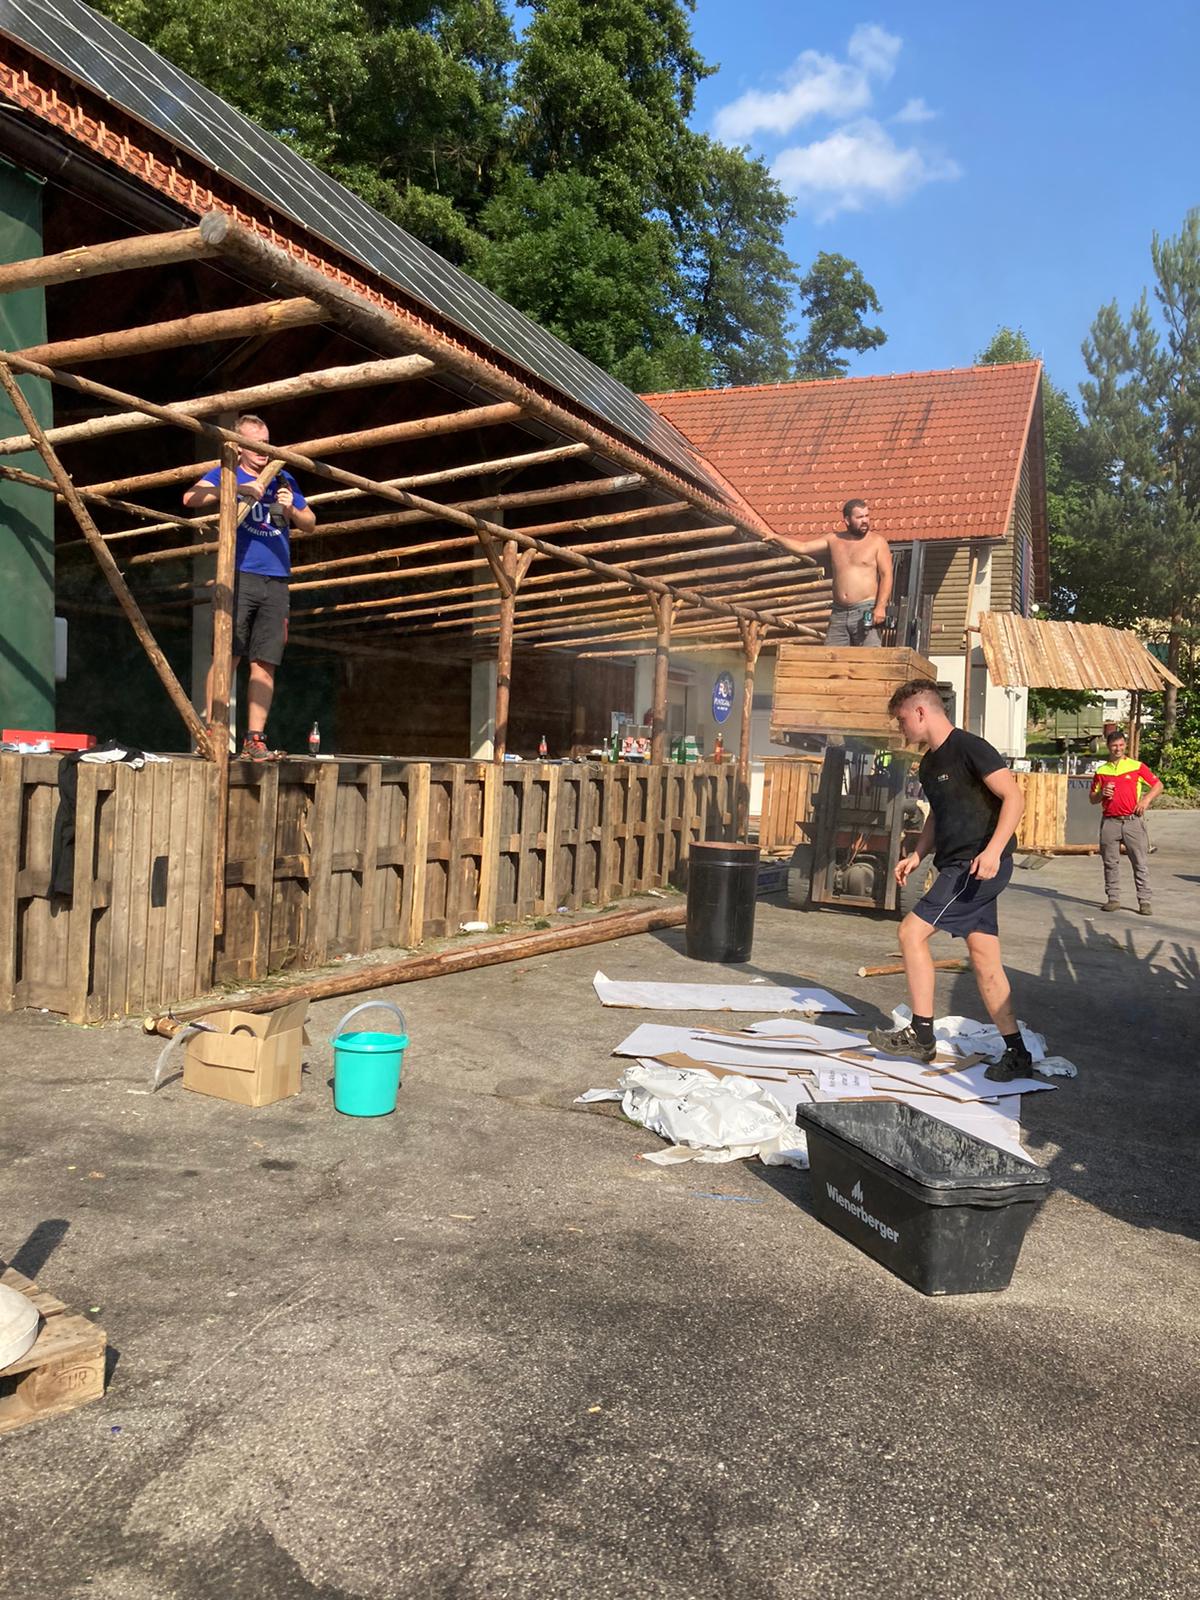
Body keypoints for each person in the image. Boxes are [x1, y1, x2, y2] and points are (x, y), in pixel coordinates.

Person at [866, 679, 1036, 1084]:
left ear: (921, 712)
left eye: (902, 720)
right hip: (958, 865)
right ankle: (1017, 1053)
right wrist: (917, 854)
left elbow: (1014, 798)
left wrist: (993, 851)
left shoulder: (971, 748)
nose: (901, 728)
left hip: (975, 866)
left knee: (910, 933)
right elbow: (938, 816)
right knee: (985, 961)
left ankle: (921, 1035)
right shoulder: (929, 764)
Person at [183, 414, 316, 760]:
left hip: (277, 579)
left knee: (265, 661)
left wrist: (291, 509)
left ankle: (254, 739)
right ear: (239, 447)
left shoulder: (284, 477)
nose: (263, 450)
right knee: (227, 654)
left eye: (267, 443)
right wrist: (238, 490)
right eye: (255, 444)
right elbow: (191, 498)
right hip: (239, 575)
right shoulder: (228, 472)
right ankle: (213, 731)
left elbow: (311, 523)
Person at [776, 498, 893, 646]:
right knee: (831, 656)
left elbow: (886, 575)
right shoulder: (834, 540)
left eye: (866, 516)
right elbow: (802, 547)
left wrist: (880, 607)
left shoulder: (877, 542)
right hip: (839, 612)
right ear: (847, 520)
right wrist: (775, 537)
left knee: (870, 656)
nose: (865, 520)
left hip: (865, 610)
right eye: (859, 517)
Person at [1089, 728, 1162, 915]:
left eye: (1121, 745)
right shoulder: (1101, 771)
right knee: (1110, 862)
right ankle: (1113, 898)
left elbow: (1158, 785)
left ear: (1125, 746)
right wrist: (1101, 793)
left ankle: (1144, 901)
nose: (1118, 749)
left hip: (1132, 821)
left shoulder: (1136, 766)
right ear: (1108, 746)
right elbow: (1092, 798)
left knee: (1139, 862)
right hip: (1110, 822)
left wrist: (1145, 800)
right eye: (1114, 745)